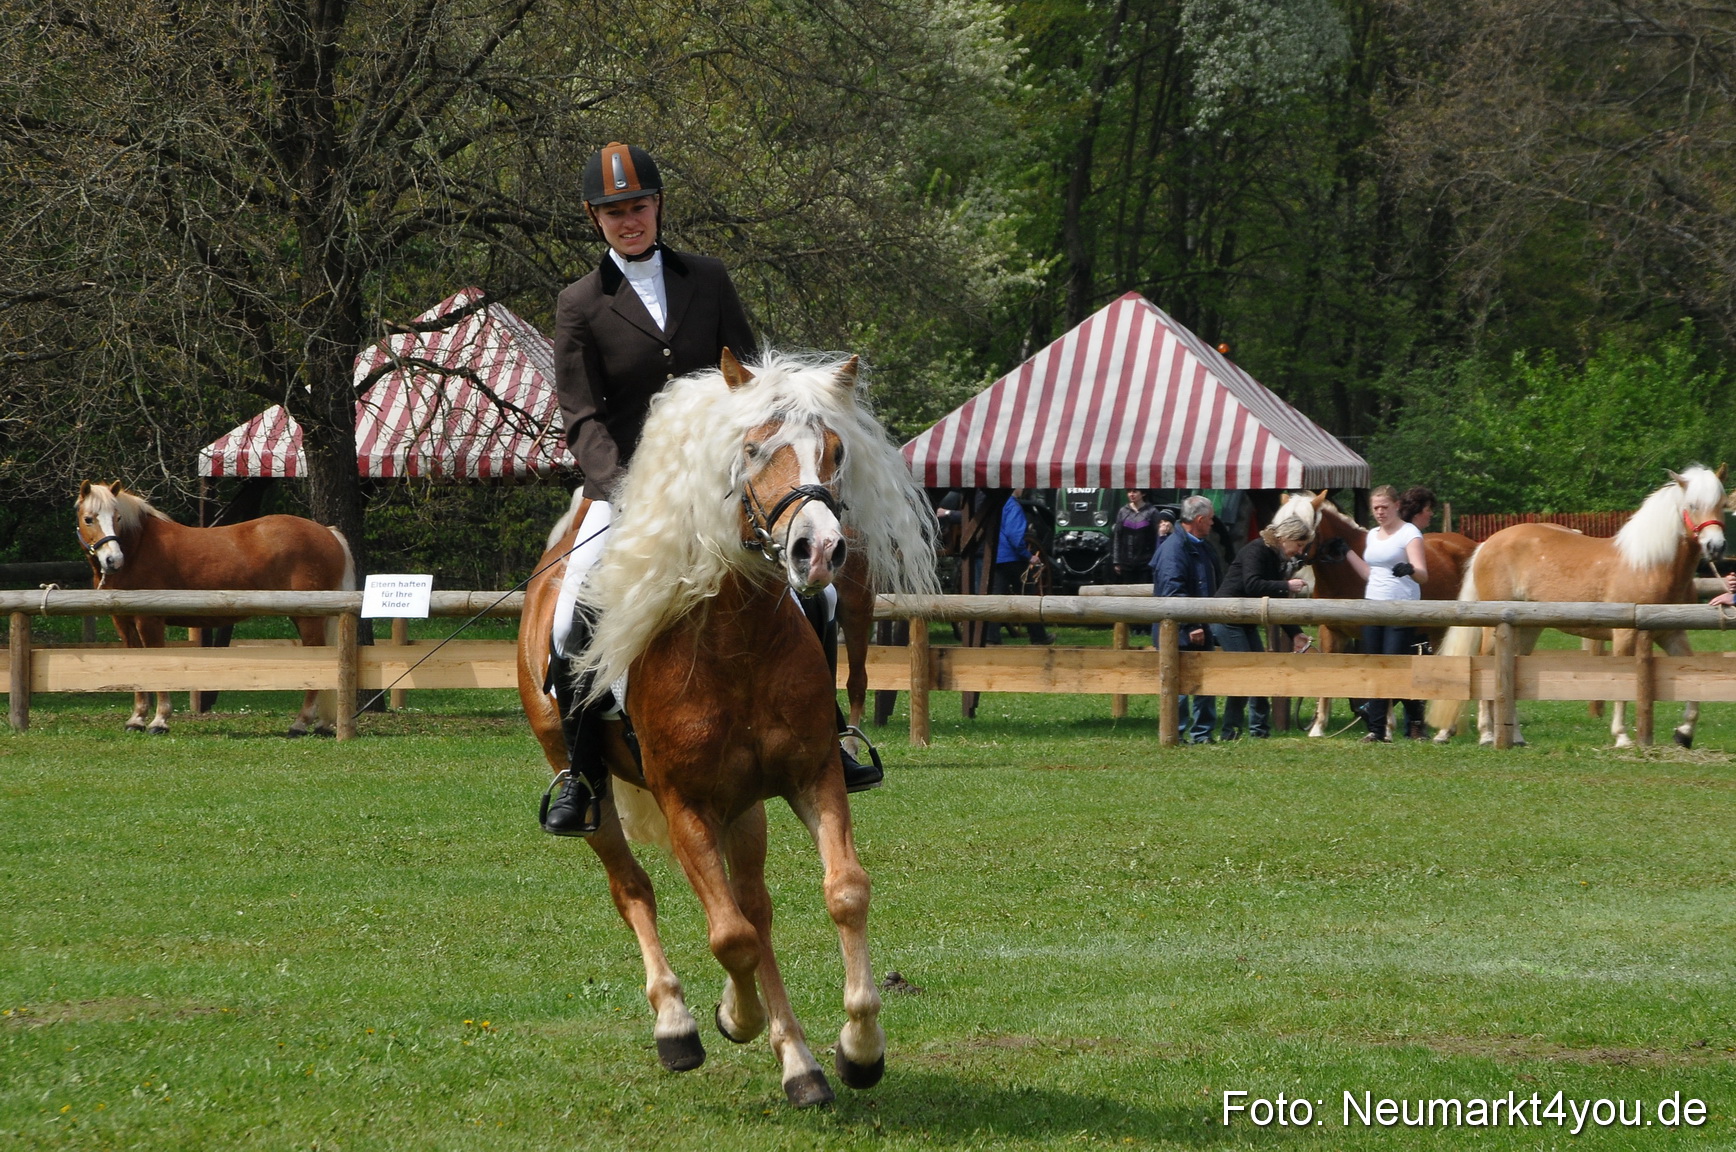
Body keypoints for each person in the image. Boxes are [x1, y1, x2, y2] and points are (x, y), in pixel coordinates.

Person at [542, 142, 874, 837]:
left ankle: (834, 729)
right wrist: (625, 490)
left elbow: (752, 386)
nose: (628, 221)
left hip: (726, 491)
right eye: (613, 213)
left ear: (657, 206)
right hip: (628, 491)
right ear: (594, 219)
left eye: (637, 207)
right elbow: (581, 415)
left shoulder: (709, 279)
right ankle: (581, 772)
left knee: (818, 589)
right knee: (573, 609)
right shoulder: (579, 304)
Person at [1211, 516, 1314, 739]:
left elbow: (1274, 599)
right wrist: (1286, 584)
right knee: (1247, 672)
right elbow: (1253, 583)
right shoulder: (1256, 550)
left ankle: (1258, 730)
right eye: (1298, 545)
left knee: (1259, 670)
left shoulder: (1274, 555)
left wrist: (1295, 633)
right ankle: (1233, 730)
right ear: (1286, 538)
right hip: (1227, 618)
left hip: (1245, 621)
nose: (1298, 551)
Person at [1345, 484, 1430, 741]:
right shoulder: (1372, 535)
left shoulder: (1409, 533)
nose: (1380, 512)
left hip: (1400, 607)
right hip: (1373, 604)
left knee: (1394, 666)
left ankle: (1415, 720)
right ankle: (1377, 730)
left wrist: (1409, 570)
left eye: (1384, 507)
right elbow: (1372, 574)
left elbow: (1423, 575)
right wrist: (1347, 554)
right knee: (1376, 667)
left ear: (1396, 506)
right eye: (1375, 508)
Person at [1153, 495, 1222, 743]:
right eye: (1211, 519)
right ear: (1200, 519)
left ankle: (1202, 733)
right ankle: (1177, 731)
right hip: (1181, 630)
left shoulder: (1199, 544)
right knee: (1178, 682)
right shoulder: (1175, 549)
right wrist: (1191, 624)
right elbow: (1173, 591)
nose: (1213, 524)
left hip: (1198, 624)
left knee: (1203, 679)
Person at [985, 489, 1052, 645]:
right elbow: (1015, 535)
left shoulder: (997, 504)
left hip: (997, 557)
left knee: (995, 600)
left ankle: (991, 638)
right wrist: (1029, 556)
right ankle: (1038, 637)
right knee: (1028, 599)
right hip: (1014, 559)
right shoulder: (1013, 507)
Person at [1111, 489, 1159, 585]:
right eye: (1129, 492)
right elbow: (1117, 536)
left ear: (1143, 493)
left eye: (1135, 492)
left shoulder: (1152, 511)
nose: (1131, 494)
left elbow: (1157, 537)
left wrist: (1156, 560)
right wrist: (1116, 561)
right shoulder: (1123, 511)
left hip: (1146, 562)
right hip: (1126, 562)